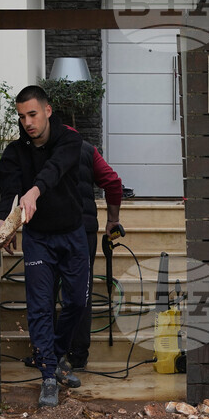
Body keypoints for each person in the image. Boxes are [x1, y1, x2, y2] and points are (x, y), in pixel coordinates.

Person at [0, 85, 89, 408]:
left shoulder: (70, 141)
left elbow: (55, 169)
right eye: (21, 117)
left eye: (32, 114)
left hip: (72, 232)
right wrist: (2, 223)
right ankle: (49, 374)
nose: (27, 122)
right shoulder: (14, 153)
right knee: (39, 306)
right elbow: (8, 192)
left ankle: (57, 354)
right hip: (38, 239)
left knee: (76, 301)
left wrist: (34, 192)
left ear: (47, 111)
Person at [68, 140, 124, 370]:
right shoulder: (85, 148)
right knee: (82, 290)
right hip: (83, 228)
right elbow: (113, 182)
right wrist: (112, 219)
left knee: (46, 291)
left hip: (49, 231)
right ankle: (78, 356)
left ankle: (46, 353)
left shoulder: (39, 146)